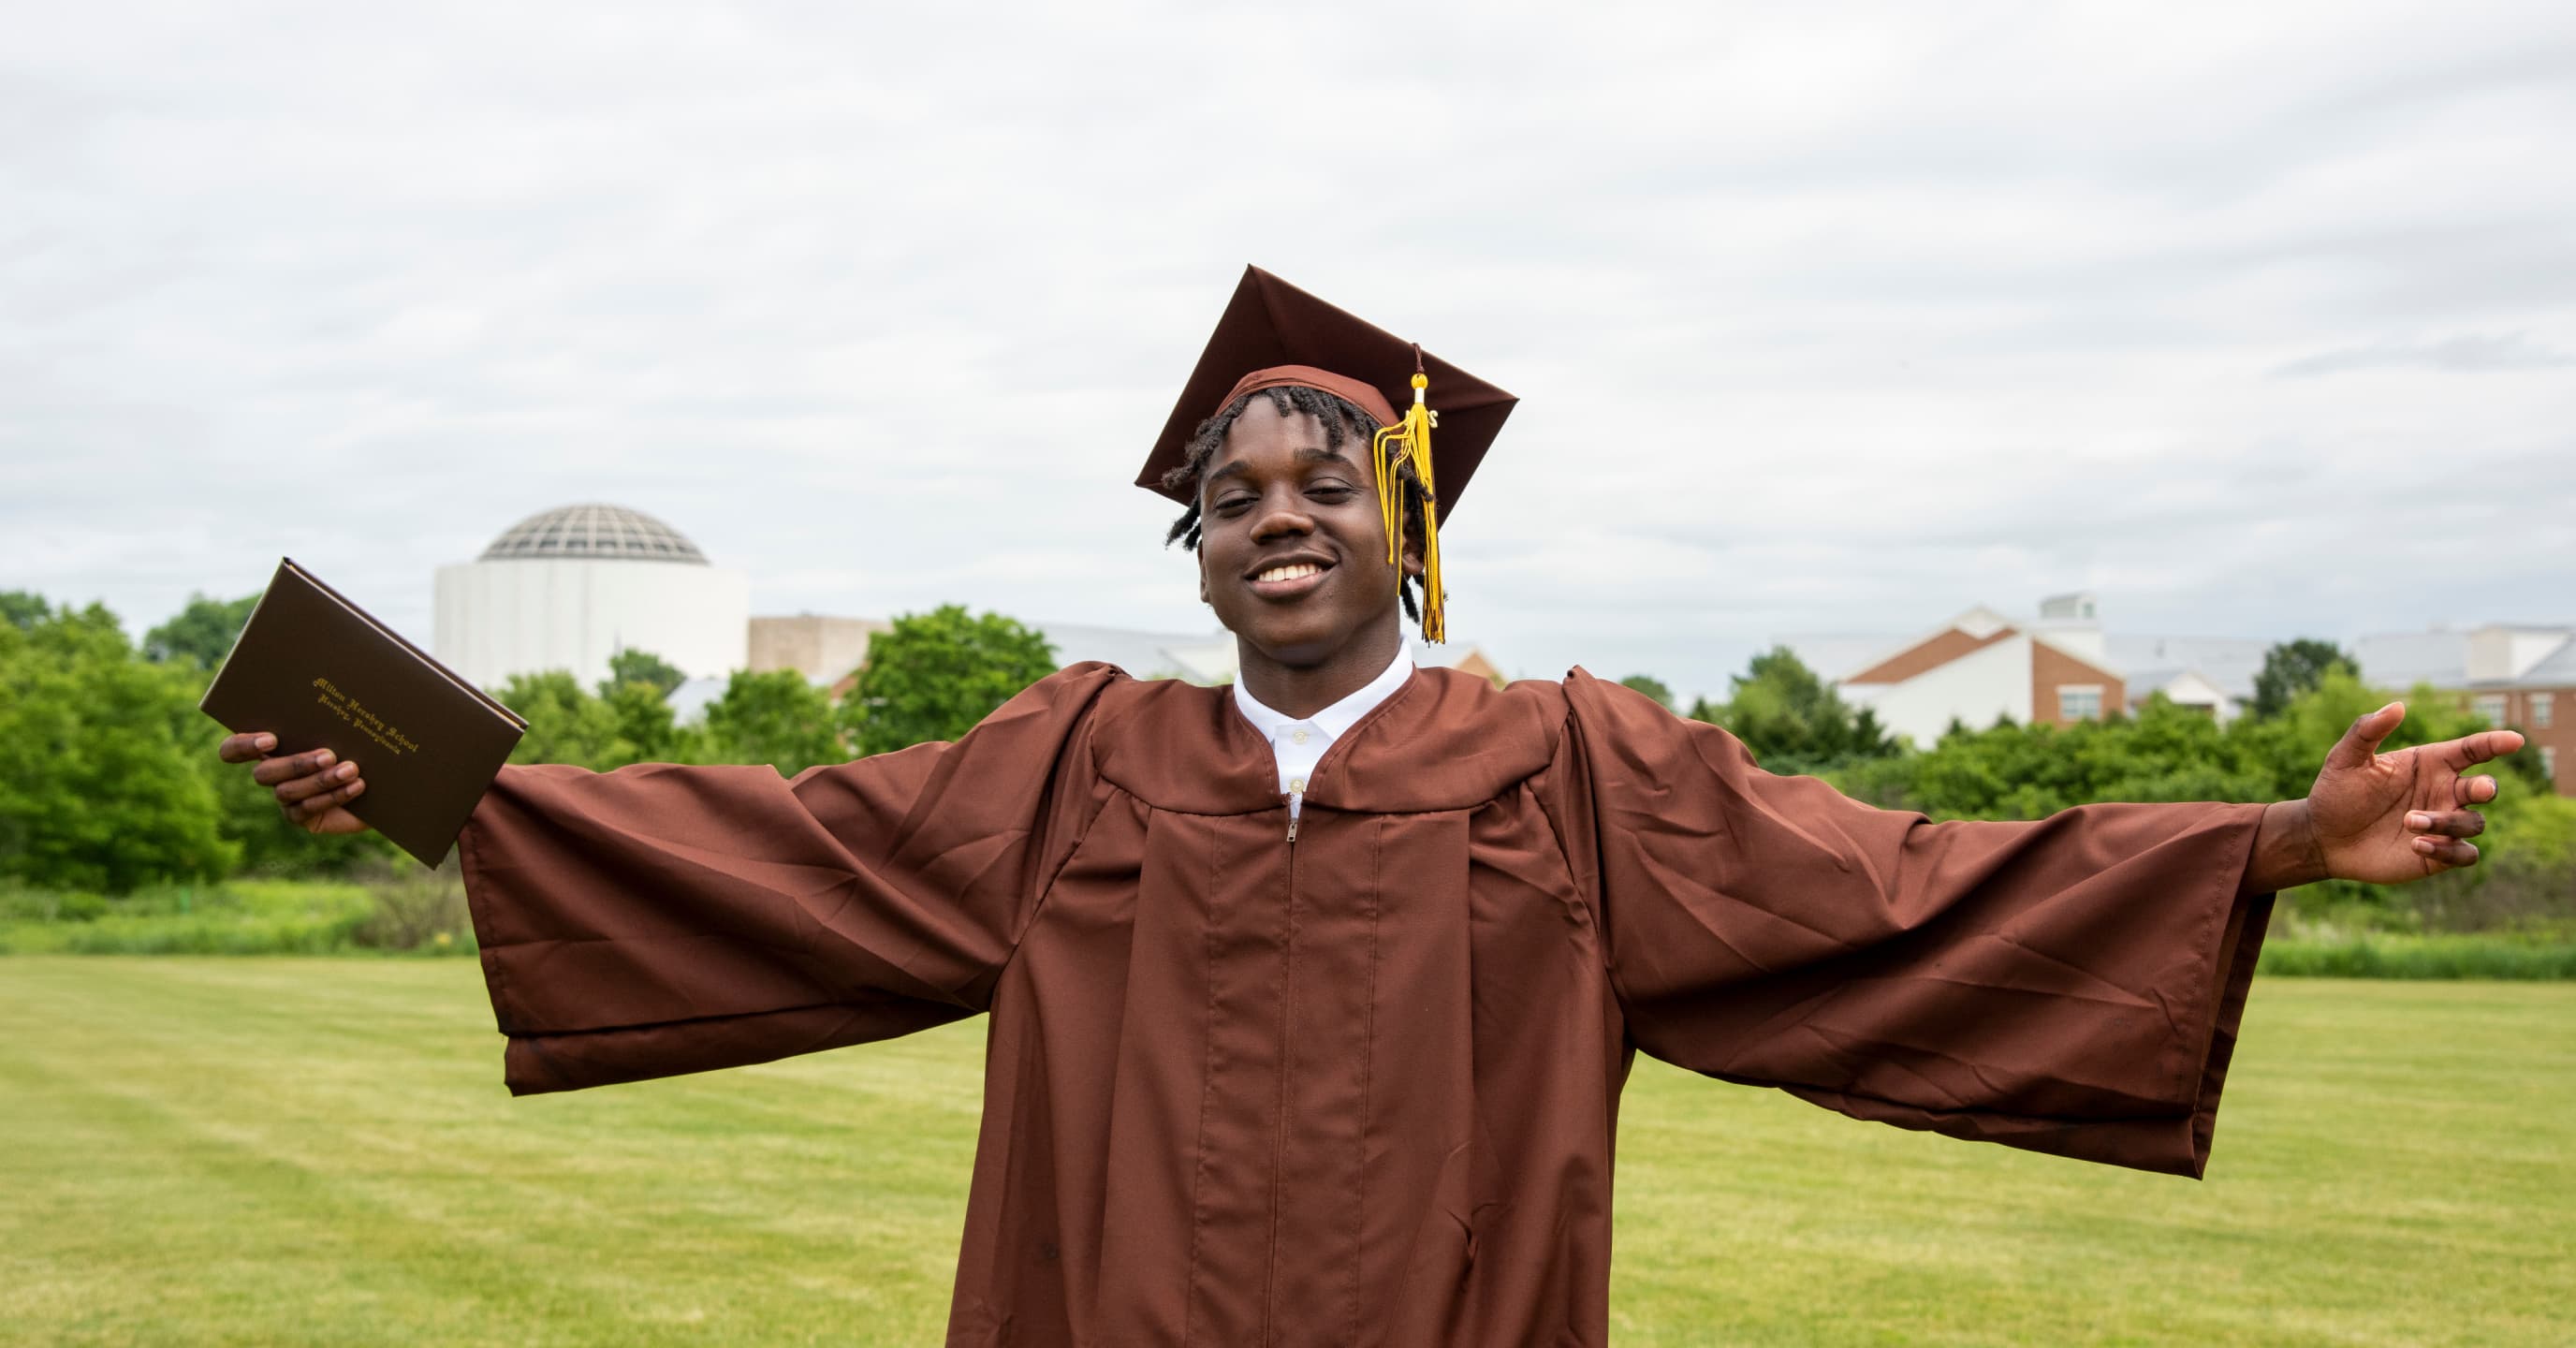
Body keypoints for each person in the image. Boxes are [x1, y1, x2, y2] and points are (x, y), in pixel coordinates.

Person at [218, 267, 2524, 1347]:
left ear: (1402, 528)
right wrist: (420, 783)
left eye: (1327, 475)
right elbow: (782, 846)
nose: (1273, 511)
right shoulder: (1073, 764)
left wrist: (2277, 843)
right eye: (1230, 491)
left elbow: (1892, 891)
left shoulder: (1573, 766)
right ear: (1195, 546)